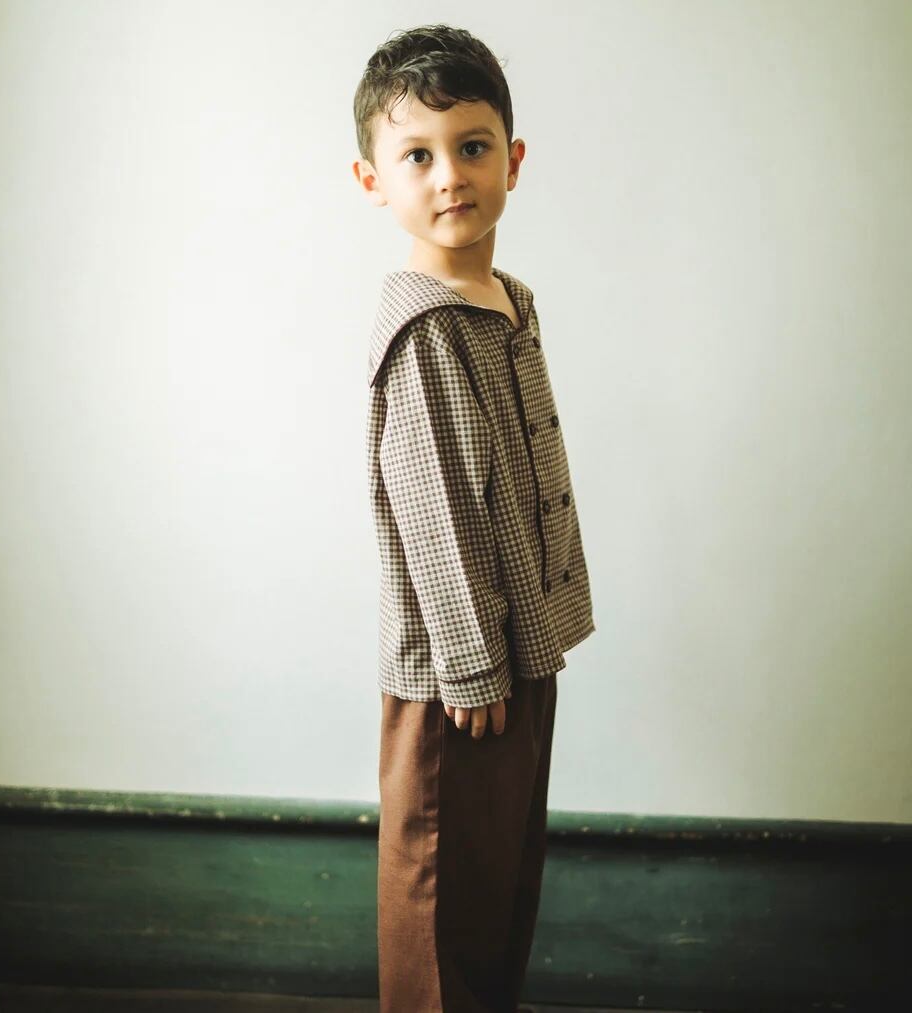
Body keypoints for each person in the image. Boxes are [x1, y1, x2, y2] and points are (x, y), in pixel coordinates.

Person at [352, 23, 597, 1013]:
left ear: (513, 160)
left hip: (517, 644)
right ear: (373, 181)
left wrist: (522, 640)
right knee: (441, 889)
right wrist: (468, 659)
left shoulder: (506, 301)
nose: (450, 174)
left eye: (472, 146)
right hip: (460, 674)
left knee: (498, 878)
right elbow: (438, 508)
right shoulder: (426, 331)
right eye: (417, 155)